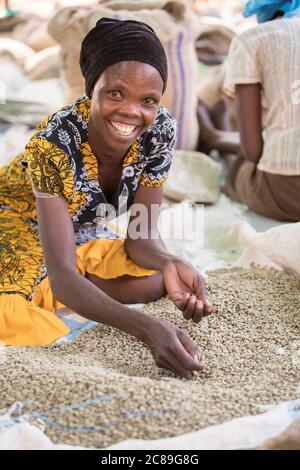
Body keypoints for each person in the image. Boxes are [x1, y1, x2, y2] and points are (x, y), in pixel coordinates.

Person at [0, 18, 214, 378]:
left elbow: (142, 236)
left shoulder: (160, 130)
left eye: (148, 100)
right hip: (15, 216)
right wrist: (146, 328)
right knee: (20, 316)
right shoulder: (53, 143)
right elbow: (66, 276)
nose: (132, 112)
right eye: (116, 93)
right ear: (91, 89)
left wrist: (169, 260)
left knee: (156, 282)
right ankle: (48, 279)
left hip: (77, 229)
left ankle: (59, 279)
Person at [197, 0, 300, 222]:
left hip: (288, 193)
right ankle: (218, 136)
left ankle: (215, 137)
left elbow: (253, 151)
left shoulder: (252, 40)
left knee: (241, 172)